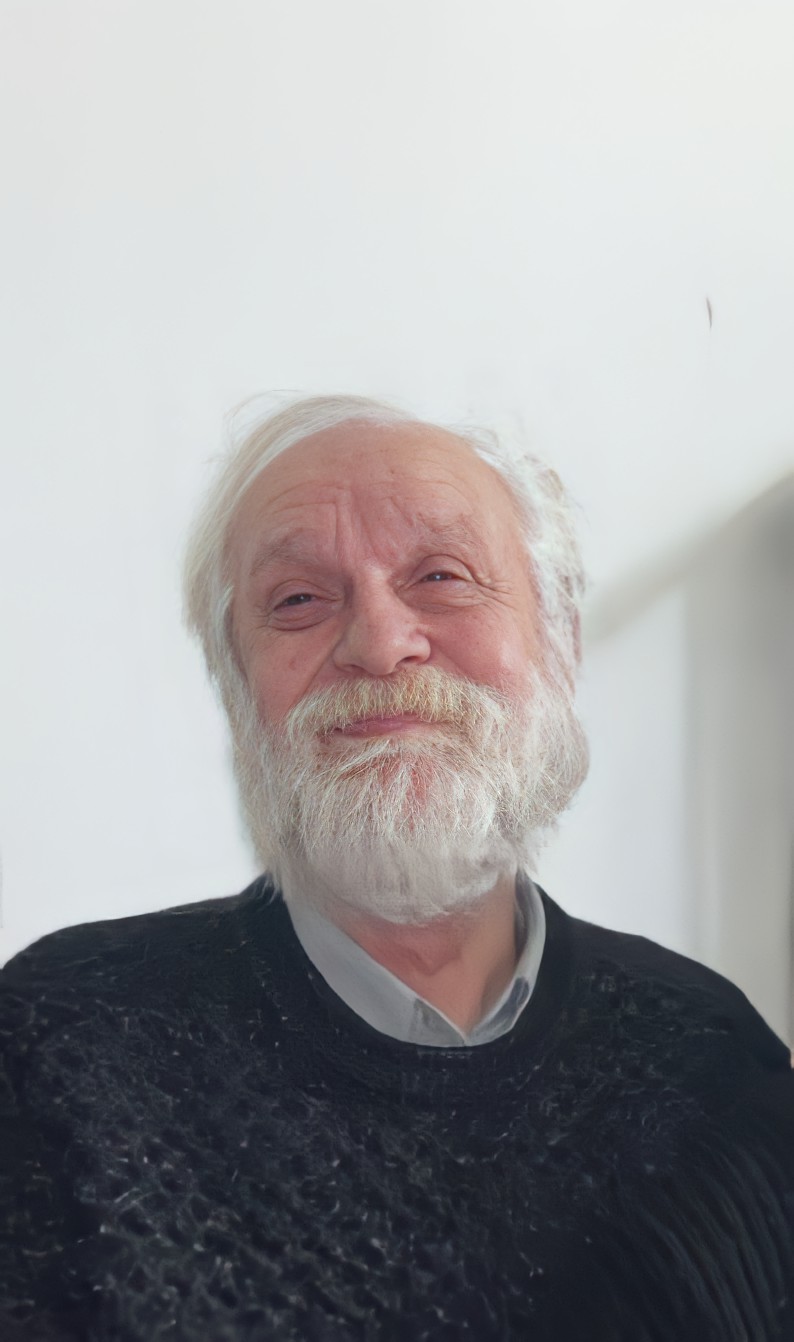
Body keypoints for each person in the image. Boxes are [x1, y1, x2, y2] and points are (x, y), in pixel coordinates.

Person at [1, 394, 792, 1342]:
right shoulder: (56, 1049)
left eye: (442, 577)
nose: (379, 645)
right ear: (237, 685)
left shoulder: (713, 1058)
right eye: (298, 600)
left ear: (560, 643)